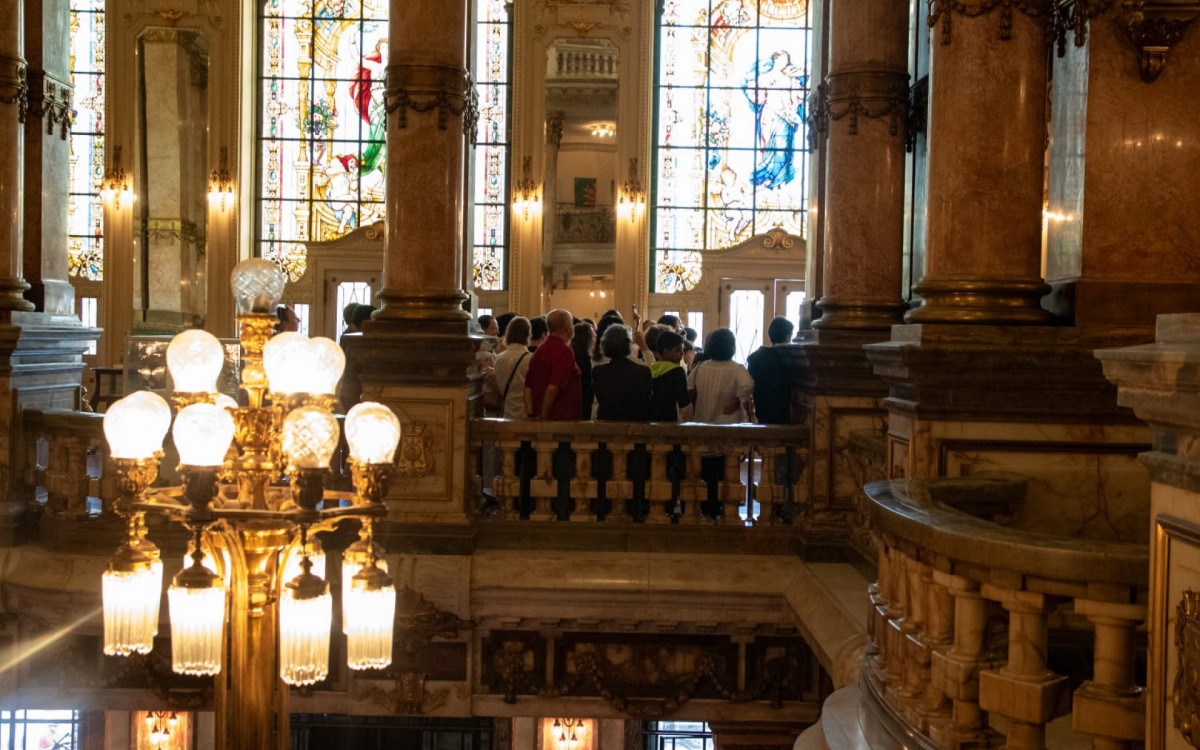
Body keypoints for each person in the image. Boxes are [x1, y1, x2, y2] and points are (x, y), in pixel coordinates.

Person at [688, 328, 754, 424]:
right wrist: (737, 399)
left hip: (701, 422)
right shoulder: (738, 369)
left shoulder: (699, 368)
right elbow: (748, 386)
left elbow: (688, 390)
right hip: (729, 424)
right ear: (732, 348)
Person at [524, 309, 581, 420]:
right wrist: (543, 416)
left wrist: (531, 415)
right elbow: (553, 388)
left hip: (538, 416)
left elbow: (528, 386)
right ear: (568, 326)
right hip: (560, 418)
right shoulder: (565, 351)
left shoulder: (539, 350)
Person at [591, 325, 651, 421]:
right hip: (637, 423)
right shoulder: (643, 370)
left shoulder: (598, 371)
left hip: (606, 423)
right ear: (629, 345)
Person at [747, 316, 794, 425]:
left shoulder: (754, 358)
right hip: (783, 416)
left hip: (761, 413)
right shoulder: (788, 359)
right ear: (788, 337)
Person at [489, 316, 533, 419]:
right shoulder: (531, 359)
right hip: (526, 414)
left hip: (506, 413)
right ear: (528, 334)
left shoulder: (499, 358)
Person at [650, 330, 690, 422]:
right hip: (671, 418)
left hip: (653, 418)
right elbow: (683, 401)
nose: (682, 353)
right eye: (678, 350)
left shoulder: (652, 368)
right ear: (666, 352)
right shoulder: (677, 371)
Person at [570, 322, 595, 420]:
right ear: (586, 339)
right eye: (593, 335)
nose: (595, 338)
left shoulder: (569, 357)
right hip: (584, 405)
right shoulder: (589, 362)